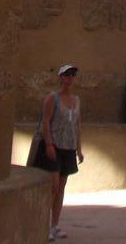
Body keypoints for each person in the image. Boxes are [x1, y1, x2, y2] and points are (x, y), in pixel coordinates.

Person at [32, 63, 84, 241]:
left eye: (72, 75)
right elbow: (46, 121)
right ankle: (43, 225)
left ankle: (54, 225)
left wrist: (79, 149)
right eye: (67, 75)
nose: (70, 78)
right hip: (53, 145)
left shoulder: (76, 100)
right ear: (60, 78)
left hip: (68, 147)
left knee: (61, 187)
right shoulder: (52, 98)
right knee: (53, 186)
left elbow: (77, 125)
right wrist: (48, 144)